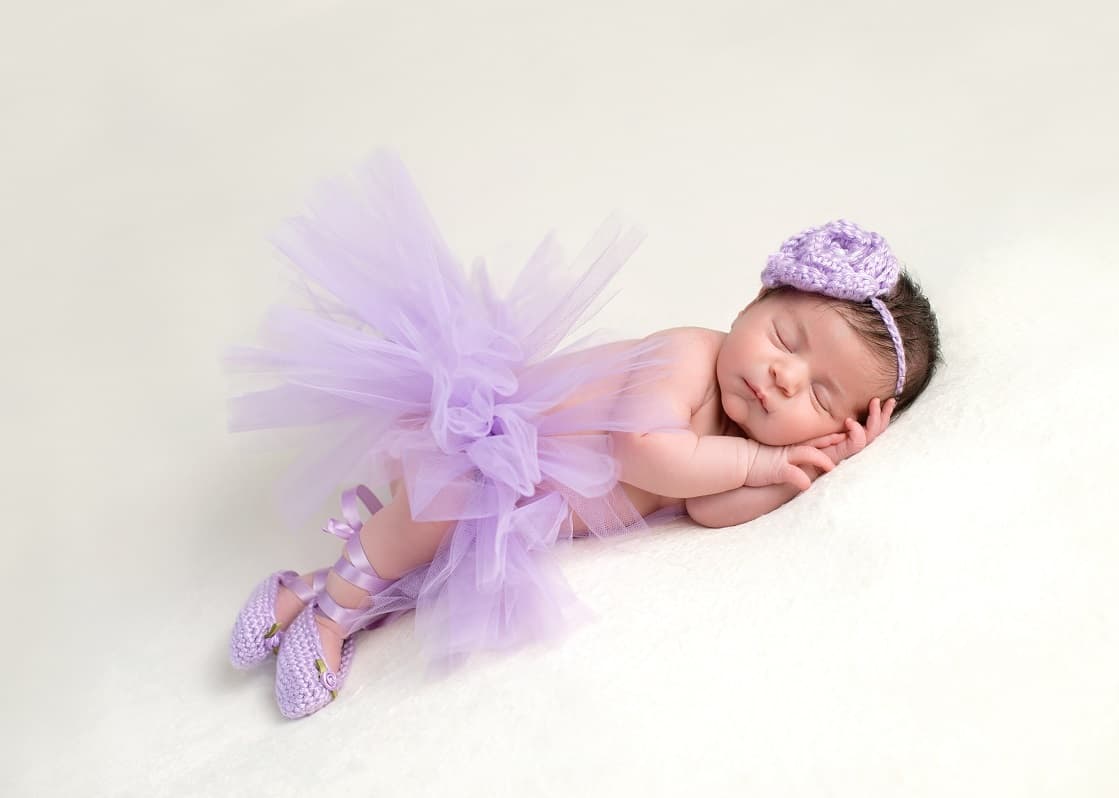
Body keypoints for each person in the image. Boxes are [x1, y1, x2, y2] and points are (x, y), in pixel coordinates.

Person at [225, 152, 942, 719]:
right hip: (491, 447)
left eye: (820, 395)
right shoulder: (689, 354)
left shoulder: (741, 445)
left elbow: (708, 507)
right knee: (433, 510)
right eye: (786, 338)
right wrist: (764, 457)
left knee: (426, 556)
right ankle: (332, 613)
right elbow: (645, 451)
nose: (783, 377)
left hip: (520, 509)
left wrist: (801, 471)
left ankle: (299, 594)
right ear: (755, 301)